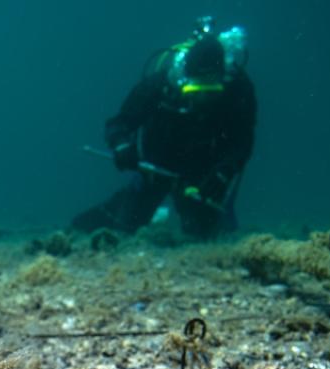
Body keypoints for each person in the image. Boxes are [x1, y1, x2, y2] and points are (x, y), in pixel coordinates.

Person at [72, 17, 256, 238]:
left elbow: (243, 141)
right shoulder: (160, 85)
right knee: (122, 223)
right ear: (184, 80)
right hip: (156, 166)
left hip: (205, 175)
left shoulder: (238, 91)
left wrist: (224, 173)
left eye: (211, 92)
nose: (203, 100)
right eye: (195, 92)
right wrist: (121, 146)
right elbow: (118, 124)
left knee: (205, 233)